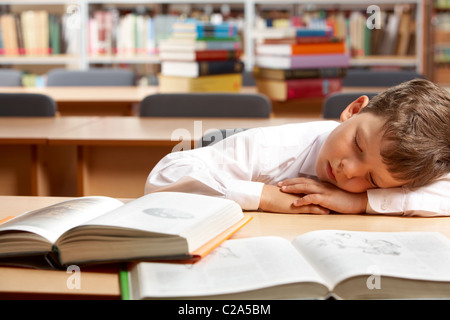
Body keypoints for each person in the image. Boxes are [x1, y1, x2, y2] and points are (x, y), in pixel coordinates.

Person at [145, 79, 450, 217]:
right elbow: (164, 178)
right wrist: (264, 196)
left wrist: (362, 203)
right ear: (353, 111)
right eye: (357, 145)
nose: (349, 171)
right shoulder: (272, 148)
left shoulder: (399, 175)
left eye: (372, 179)